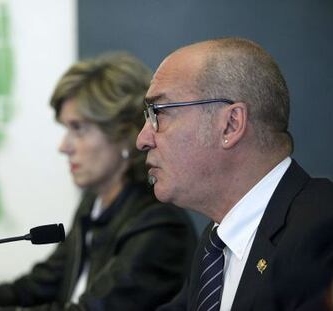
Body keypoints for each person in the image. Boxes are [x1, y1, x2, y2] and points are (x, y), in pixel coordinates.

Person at [0, 53, 198, 310]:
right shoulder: (94, 204)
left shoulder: (161, 228)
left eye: (78, 129)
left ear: (124, 133)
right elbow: (38, 285)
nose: (64, 146)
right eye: (66, 129)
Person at [135, 37, 333, 310]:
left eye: (159, 113)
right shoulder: (216, 244)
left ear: (230, 124)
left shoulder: (322, 229)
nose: (143, 139)